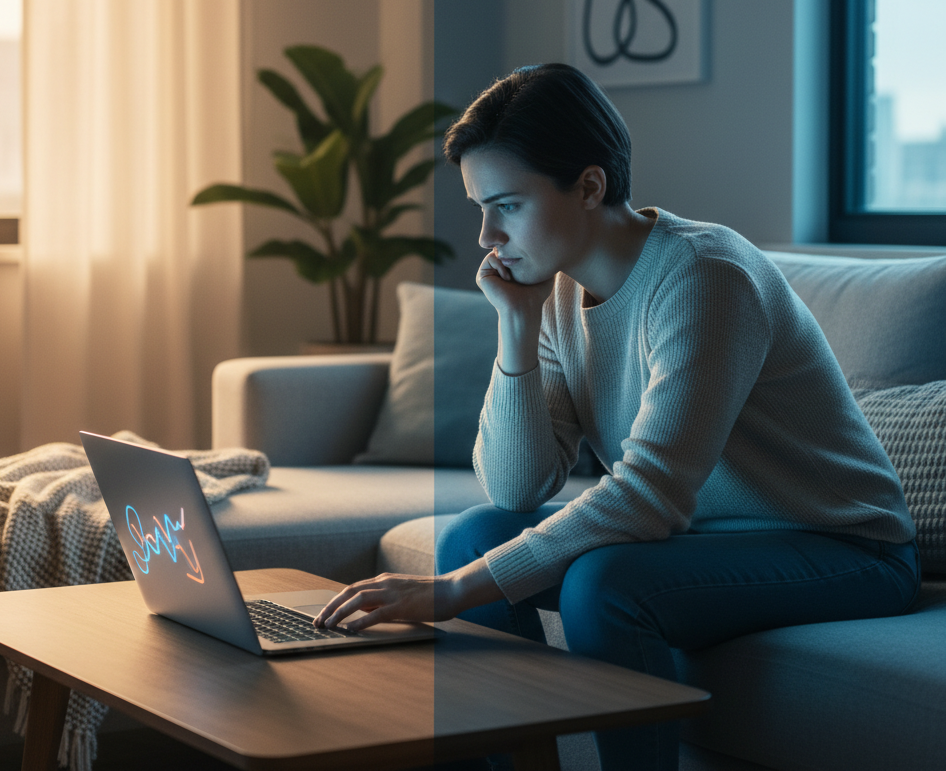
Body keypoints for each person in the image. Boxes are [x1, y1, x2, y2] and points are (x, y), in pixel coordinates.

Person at [313, 63, 919, 771]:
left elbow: (649, 496)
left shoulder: (704, 277)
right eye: (481, 207)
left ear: (590, 186)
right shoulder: (558, 292)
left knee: (603, 584)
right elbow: (516, 489)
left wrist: (453, 595)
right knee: (471, 535)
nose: (485, 235)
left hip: (842, 548)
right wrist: (516, 330)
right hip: (702, 537)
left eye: (505, 204)